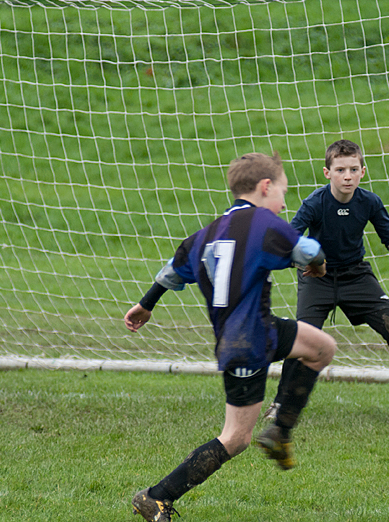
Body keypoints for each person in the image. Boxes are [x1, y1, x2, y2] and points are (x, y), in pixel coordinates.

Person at [124, 152, 336, 522]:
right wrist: (316, 267)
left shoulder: (205, 234)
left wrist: (146, 305)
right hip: (248, 342)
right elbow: (310, 249)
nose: (285, 202)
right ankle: (156, 496)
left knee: (321, 347)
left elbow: (170, 273)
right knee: (235, 437)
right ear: (265, 187)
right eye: (283, 191)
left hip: (252, 333)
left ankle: (282, 430)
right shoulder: (265, 223)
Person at [265, 139, 389, 420]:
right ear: (327, 173)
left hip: (356, 275)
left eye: (353, 169)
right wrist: (304, 260)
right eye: (340, 170)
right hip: (318, 277)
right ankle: (280, 407)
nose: (347, 176)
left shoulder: (370, 201)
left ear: (363, 171)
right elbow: (289, 239)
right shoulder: (314, 203)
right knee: (304, 339)